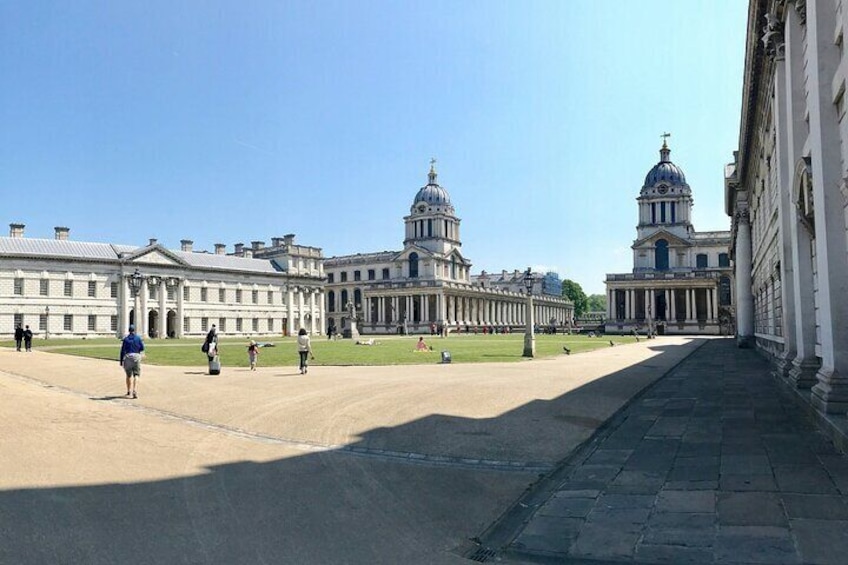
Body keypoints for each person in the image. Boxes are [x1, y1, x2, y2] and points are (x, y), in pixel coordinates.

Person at [119, 324, 145, 399]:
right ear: (134, 330)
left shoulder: (126, 339)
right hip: (136, 356)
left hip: (128, 356)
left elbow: (122, 351)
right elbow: (142, 348)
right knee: (136, 375)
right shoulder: (138, 338)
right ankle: (134, 390)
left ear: (129, 331)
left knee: (128, 375)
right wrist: (137, 351)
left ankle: (128, 391)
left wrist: (121, 361)